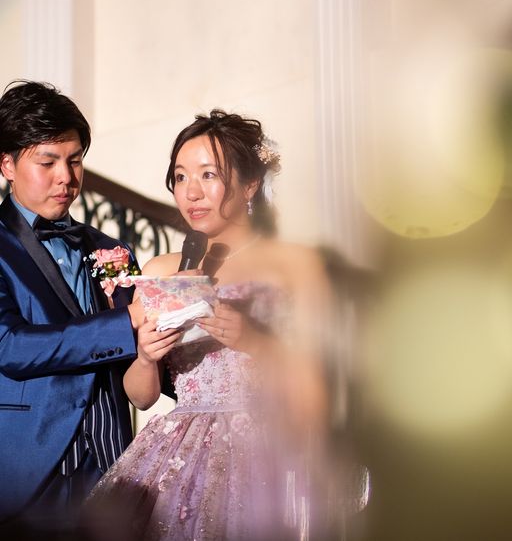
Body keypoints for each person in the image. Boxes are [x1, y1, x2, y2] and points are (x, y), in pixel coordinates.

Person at [84, 109, 334, 540]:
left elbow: (325, 384)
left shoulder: (296, 264)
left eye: (208, 174)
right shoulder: (163, 270)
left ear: (250, 183)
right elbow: (141, 397)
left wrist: (255, 340)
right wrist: (146, 357)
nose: (191, 192)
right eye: (181, 177)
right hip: (182, 454)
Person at [0, 80, 177, 539]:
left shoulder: (112, 250)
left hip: (113, 464)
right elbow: (10, 346)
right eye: (48, 162)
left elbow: (143, 355)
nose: (66, 176)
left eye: (75, 160)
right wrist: (126, 321)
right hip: (29, 474)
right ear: (7, 164)